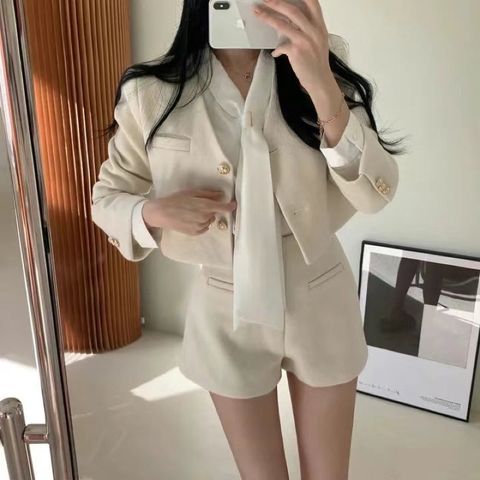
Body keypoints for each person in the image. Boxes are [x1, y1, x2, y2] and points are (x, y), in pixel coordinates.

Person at [91, 1, 405, 478]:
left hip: (320, 293)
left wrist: (321, 83)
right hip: (224, 307)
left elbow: (375, 192)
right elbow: (107, 196)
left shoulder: (320, 61)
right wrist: (152, 212)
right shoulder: (152, 90)